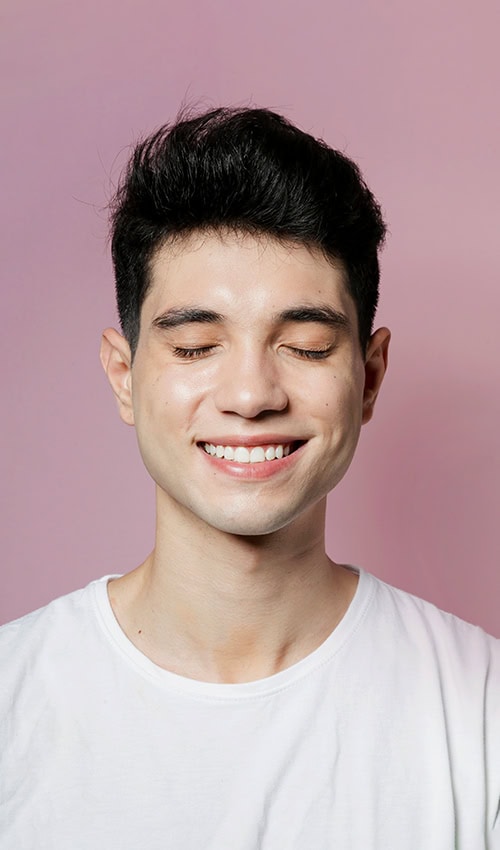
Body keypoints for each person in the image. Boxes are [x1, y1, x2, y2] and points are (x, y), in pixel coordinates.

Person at [1, 107, 498, 849]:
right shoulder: (13, 699)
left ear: (370, 376)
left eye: (304, 345)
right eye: (198, 346)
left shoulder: (479, 710)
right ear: (124, 374)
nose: (251, 394)